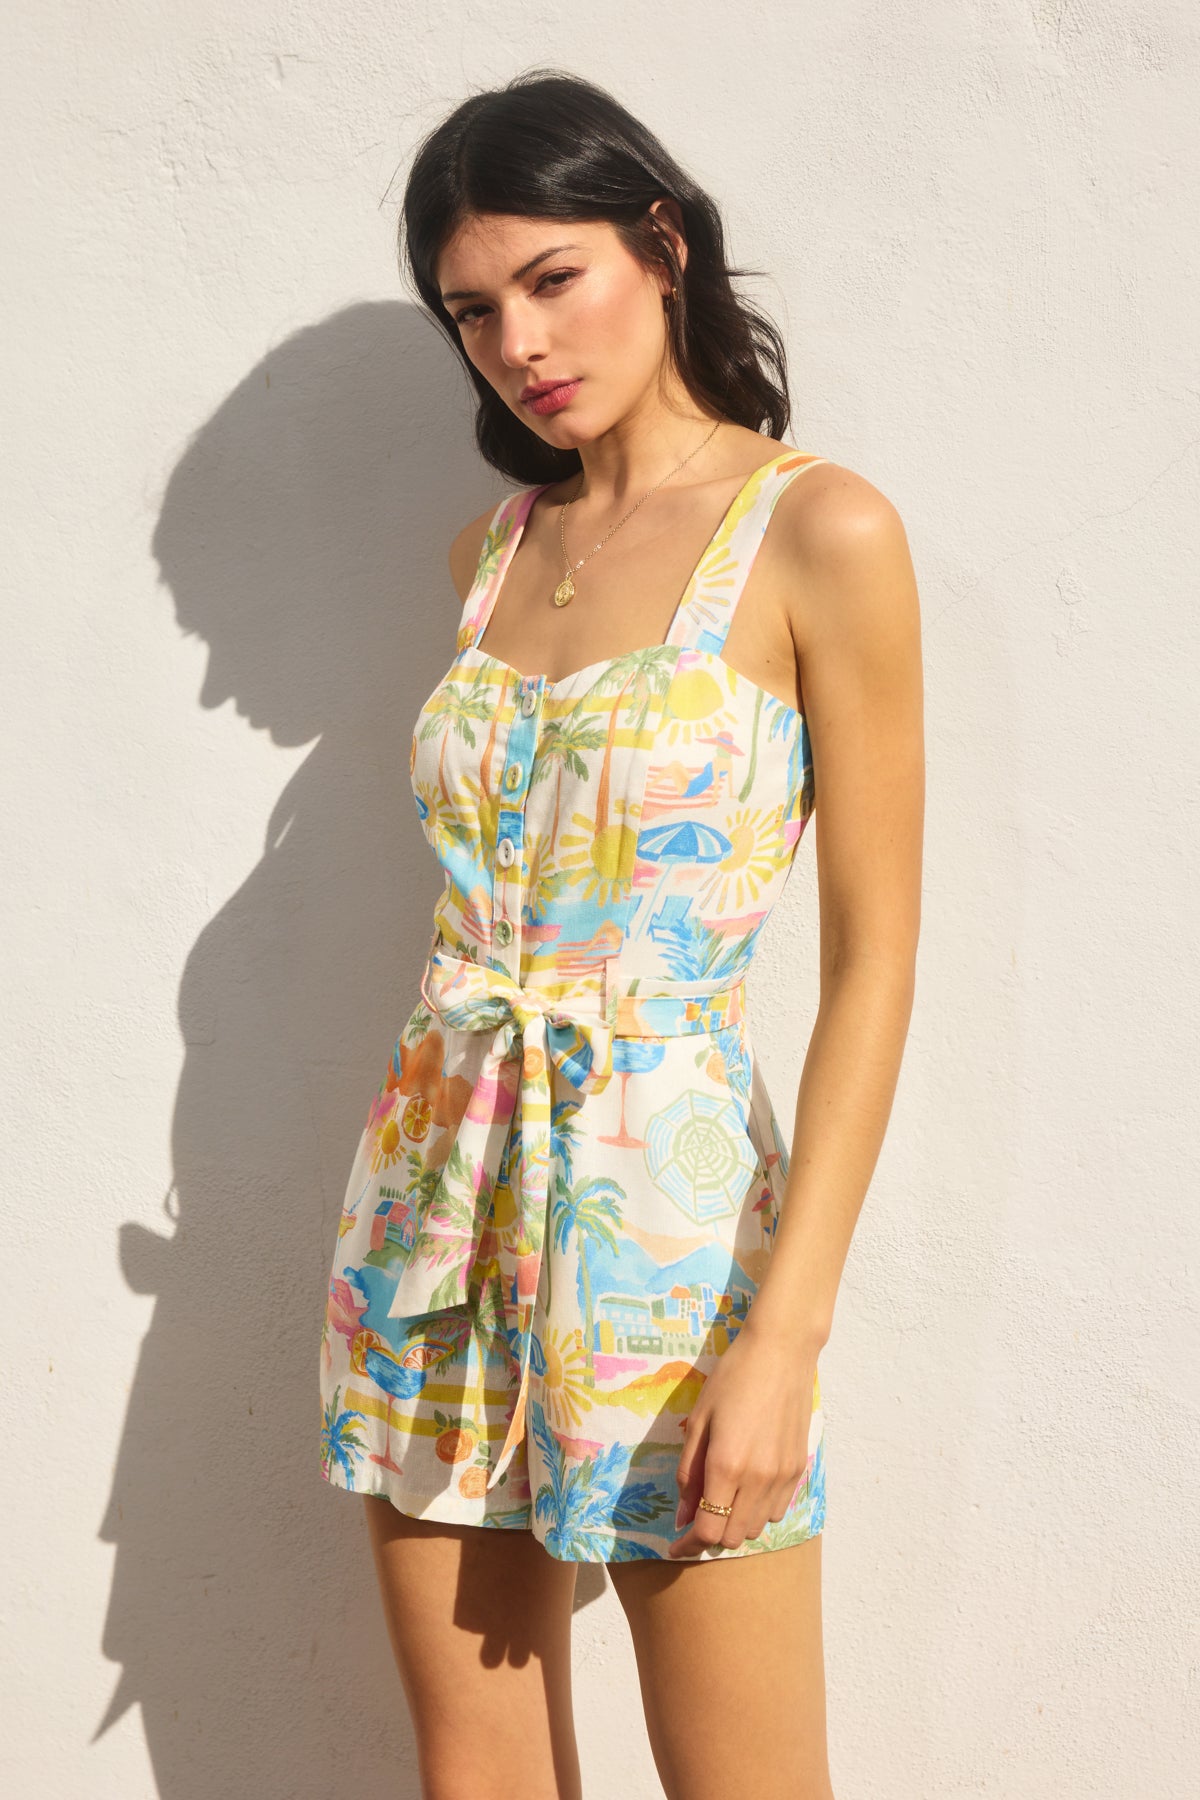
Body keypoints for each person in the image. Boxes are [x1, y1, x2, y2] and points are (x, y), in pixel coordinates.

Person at [319, 67, 924, 1800]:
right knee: (479, 1775)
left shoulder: (816, 531)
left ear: (662, 244)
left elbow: (876, 959)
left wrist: (786, 1335)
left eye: (550, 278)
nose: (516, 343)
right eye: (471, 311)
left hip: (670, 1232)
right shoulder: (490, 552)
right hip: (433, 1211)